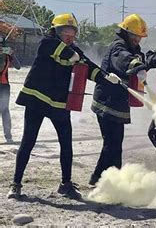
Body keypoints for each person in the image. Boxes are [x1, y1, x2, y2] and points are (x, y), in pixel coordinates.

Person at [7, 13, 121, 200]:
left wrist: (106, 77)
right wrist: (74, 55)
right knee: (28, 141)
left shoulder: (74, 50)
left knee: (66, 143)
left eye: (72, 32)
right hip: (37, 101)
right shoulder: (47, 42)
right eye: (64, 31)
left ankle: (65, 184)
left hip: (59, 104)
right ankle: (16, 184)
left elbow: (88, 67)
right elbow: (61, 51)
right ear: (56, 31)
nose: (69, 35)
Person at [89, 14, 148, 186]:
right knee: (112, 144)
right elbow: (123, 59)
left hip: (118, 102)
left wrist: (142, 63)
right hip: (106, 101)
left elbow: (138, 57)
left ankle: (106, 179)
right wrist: (135, 66)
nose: (138, 39)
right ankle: (104, 179)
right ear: (126, 32)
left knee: (115, 143)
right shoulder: (118, 46)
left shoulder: (132, 48)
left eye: (140, 37)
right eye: (135, 36)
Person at [0, 37, 21, 143]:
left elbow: (18, 66)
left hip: (3, 85)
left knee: (4, 110)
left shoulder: (7, 54)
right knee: (4, 111)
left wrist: (11, 54)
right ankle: (8, 136)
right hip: (4, 86)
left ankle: (8, 136)